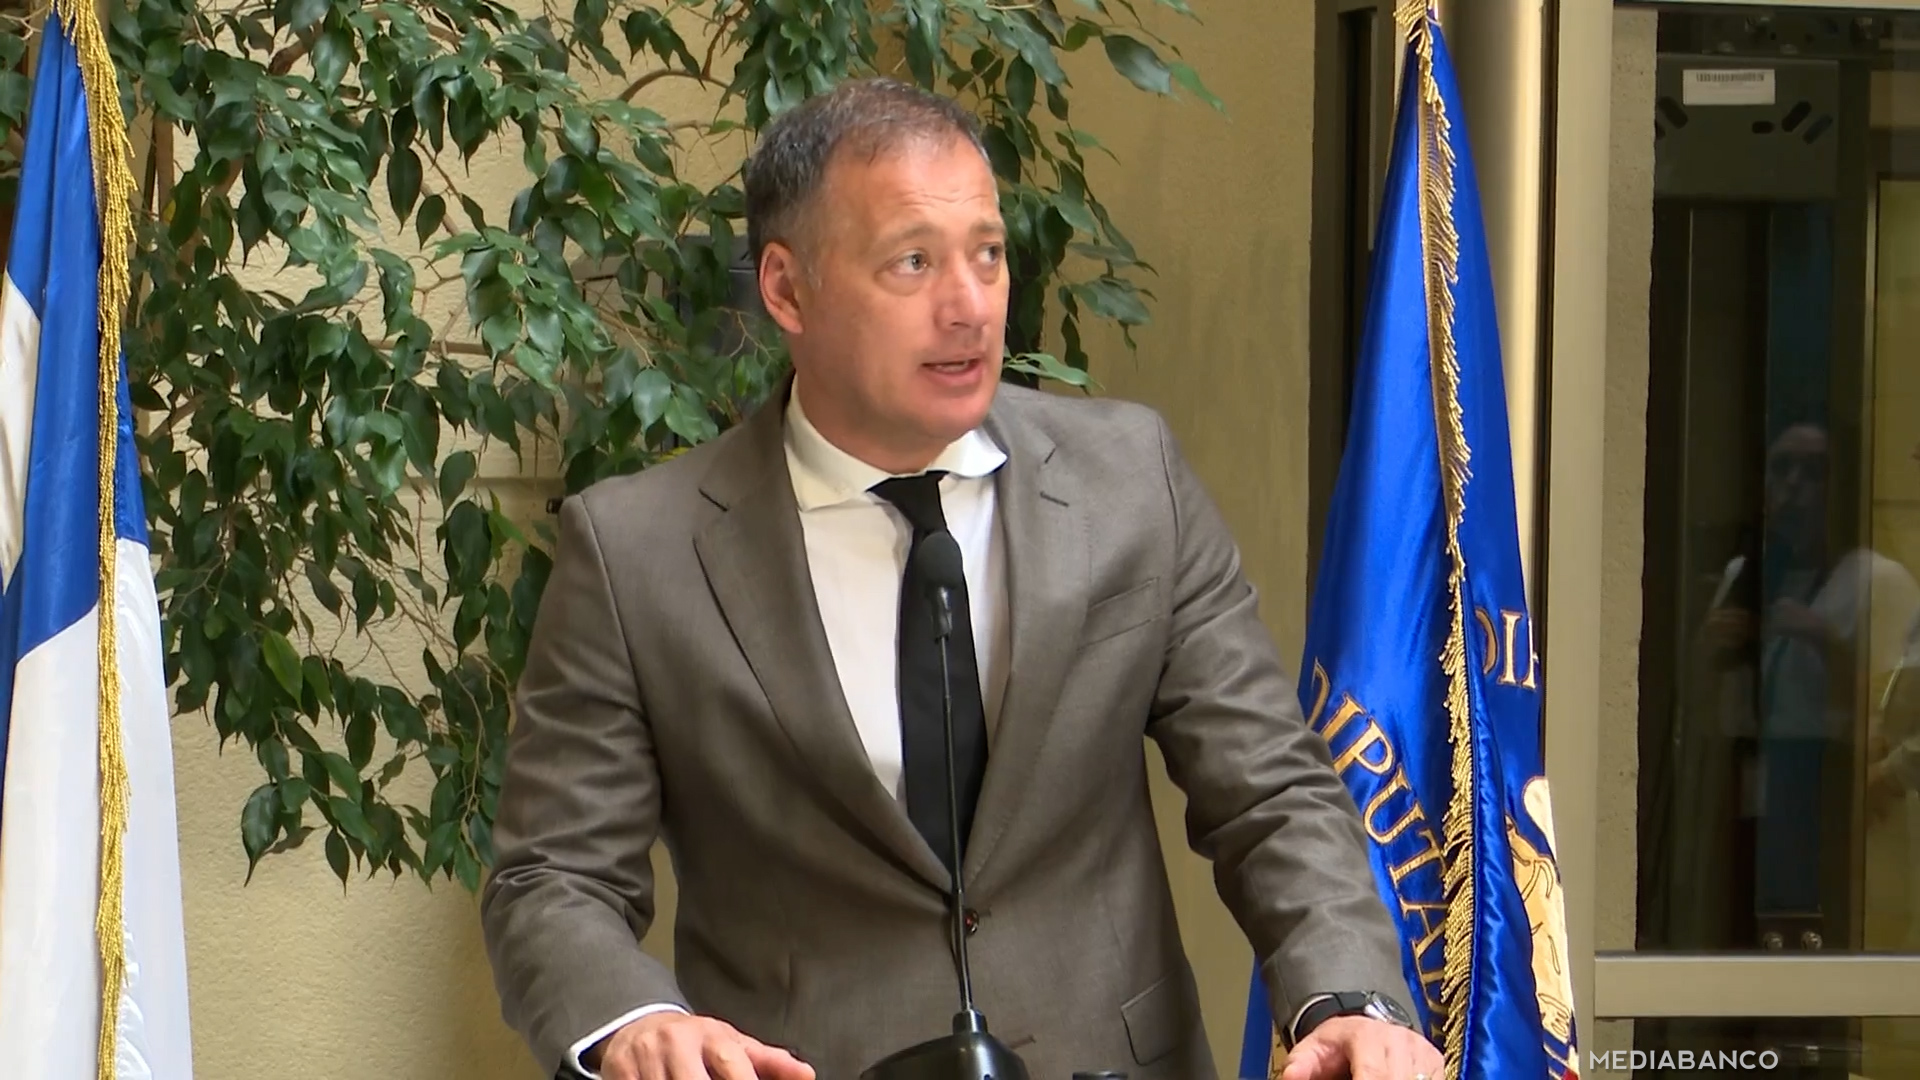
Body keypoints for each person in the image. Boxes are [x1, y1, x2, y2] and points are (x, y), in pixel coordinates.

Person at [479, 77, 1440, 1080]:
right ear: (787, 289)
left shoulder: (1130, 481)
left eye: (987, 253)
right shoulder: (637, 551)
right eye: (913, 262)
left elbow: (1270, 789)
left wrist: (1349, 997)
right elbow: (553, 877)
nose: (970, 305)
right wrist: (632, 1022)